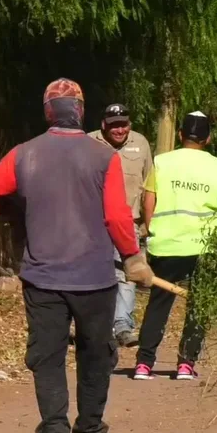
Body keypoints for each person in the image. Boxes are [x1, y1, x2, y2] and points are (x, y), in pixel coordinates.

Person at [0, 78, 154, 433]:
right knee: (95, 355)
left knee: (48, 357)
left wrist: (15, 211)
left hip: (43, 278)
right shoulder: (104, 157)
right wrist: (134, 258)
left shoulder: (25, 155)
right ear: (82, 111)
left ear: (48, 110)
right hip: (95, 278)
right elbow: (117, 216)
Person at [134, 111, 217, 381]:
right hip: (205, 246)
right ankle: (185, 364)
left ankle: (144, 364)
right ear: (209, 138)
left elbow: (149, 201)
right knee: (199, 306)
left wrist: (152, 229)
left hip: (166, 244)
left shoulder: (163, 162)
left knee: (158, 304)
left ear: (180, 135)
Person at [88, 104, 153, 348]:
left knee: (128, 274)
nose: (119, 129)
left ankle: (123, 326)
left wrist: (148, 223)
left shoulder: (141, 143)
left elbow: (149, 183)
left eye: (123, 124)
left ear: (130, 124)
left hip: (129, 223)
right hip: (93, 221)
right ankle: (92, 324)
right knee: (92, 273)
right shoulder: (88, 142)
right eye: (114, 124)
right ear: (103, 124)